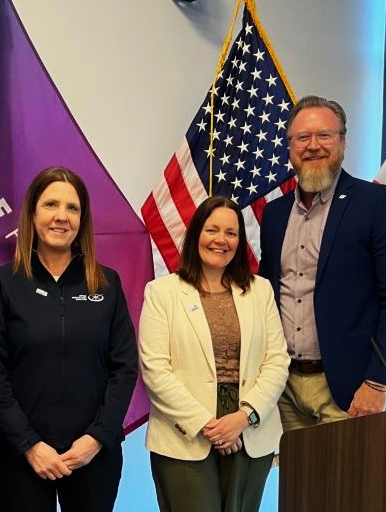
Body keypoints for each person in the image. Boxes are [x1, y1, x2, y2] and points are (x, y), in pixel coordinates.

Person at [258, 95, 386, 431]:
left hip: (352, 389)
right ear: (290, 146)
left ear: (343, 142)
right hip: (283, 388)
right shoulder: (274, 215)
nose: (313, 146)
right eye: (303, 137)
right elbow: (269, 294)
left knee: (354, 485)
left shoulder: (378, 203)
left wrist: (377, 382)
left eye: (325, 136)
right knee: (297, 483)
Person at [0, 167, 138, 512]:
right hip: (20, 456)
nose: (61, 217)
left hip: (93, 455)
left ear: (82, 219)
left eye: (72, 208)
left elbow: (125, 369)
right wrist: (29, 444)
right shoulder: (3, 284)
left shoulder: (107, 284)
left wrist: (97, 438)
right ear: (32, 213)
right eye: (51, 204)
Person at [139, 196, 290, 512]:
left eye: (231, 233)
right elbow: (155, 369)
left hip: (249, 430)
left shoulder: (260, 290)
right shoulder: (162, 292)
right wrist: (208, 424)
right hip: (185, 436)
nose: (221, 240)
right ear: (196, 234)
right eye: (212, 230)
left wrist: (243, 416)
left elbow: (277, 360)